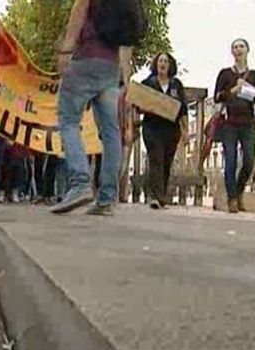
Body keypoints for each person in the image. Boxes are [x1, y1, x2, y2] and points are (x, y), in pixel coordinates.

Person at [51, 0, 135, 216]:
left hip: (85, 61)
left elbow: (78, 12)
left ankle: (80, 184)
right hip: (111, 68)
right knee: (110, 132)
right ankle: (106, 199)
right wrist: (125, 77)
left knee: (68, 121)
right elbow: (126, 41)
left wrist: (65, 51)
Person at [214, 38, 255, 213]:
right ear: (232, 52)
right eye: (235, 47)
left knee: (249, 161)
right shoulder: (225, 74)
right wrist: (233, 90)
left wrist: (248, 88)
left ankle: (239, 189)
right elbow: (217, 97)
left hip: (248, 123)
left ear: (247, 50)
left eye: (241, 46)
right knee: (230, 161)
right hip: (230, 124)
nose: (238, 49)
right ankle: (232, 199)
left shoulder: (254, 75)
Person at [141, 52, 188, 210]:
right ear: (156, 64)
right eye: (160, 61)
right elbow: (137, 104)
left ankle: (162, 197)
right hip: (152, 127)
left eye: (165, 61)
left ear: (170, 65)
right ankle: (155, 196)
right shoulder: (148, 83)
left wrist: (185, 130)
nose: (162, 64)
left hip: (171, 129)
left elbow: (183, 109)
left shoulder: (176, 85)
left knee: (166, 162)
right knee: (156, 159)